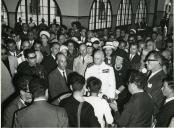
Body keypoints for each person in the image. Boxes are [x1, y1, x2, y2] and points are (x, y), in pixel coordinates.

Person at [145, 50, 166, 116]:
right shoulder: (151, 73)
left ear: (158, 62)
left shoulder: (161, 79)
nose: (146, 62)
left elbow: (155, 104)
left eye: (149, 60)